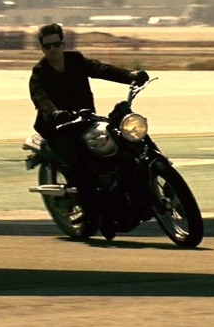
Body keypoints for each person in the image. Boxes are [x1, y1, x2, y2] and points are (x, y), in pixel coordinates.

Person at [29, 23, 149, 239]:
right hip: (58, 127)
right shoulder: (40, 72)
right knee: (80, 164)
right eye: (48, 46)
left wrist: (130, 76)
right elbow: (40, 97)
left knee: (119, 142)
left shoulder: (75, 60)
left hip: (84, 118)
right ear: (42, 48)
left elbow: (100, 69)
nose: (53, 49)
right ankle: (92, 214)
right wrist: (55, 113)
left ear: (63, 43)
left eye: (57, 44)